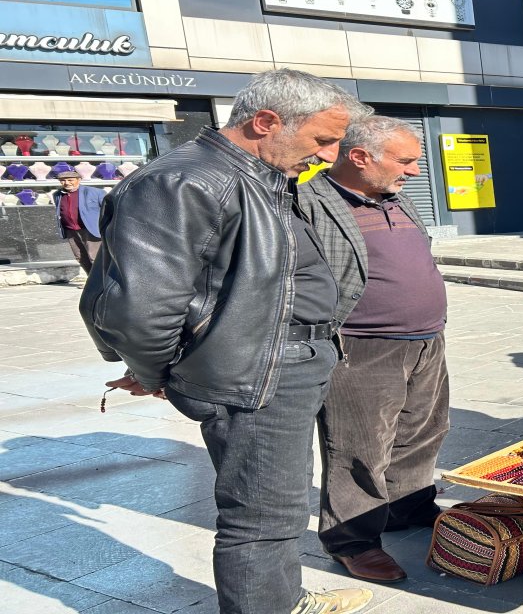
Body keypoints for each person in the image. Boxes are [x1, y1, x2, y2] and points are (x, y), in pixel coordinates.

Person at [79, 69, 376, 614]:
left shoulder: (257, 174)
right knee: (262, 517)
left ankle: (281, 598)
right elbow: (138, 304)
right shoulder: (188, 180)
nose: (331, 156)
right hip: (253, 372)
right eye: (323, 139)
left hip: (281, 363)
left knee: (278, 511)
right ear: (266, 122)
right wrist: (157, 372)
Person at [296, 116, 449, 585]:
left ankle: (407, 507)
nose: (415, 172)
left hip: (426, 338)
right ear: (360, 157)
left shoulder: (397, 199)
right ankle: (352, 540)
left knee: (423, 431)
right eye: (405, 161)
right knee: (359, 447)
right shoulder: (308, 202)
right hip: (360, 345)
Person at [51, 170, 106, 275]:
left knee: (95, 258)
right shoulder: (57, 195)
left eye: (70, 180)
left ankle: (103, 283)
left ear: (79, 180)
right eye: (63, 180)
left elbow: (107, 210)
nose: (67, 183)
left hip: (91, 230)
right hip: (71, 231)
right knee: (80, 257)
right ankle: (92, 282)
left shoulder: (95, 192)